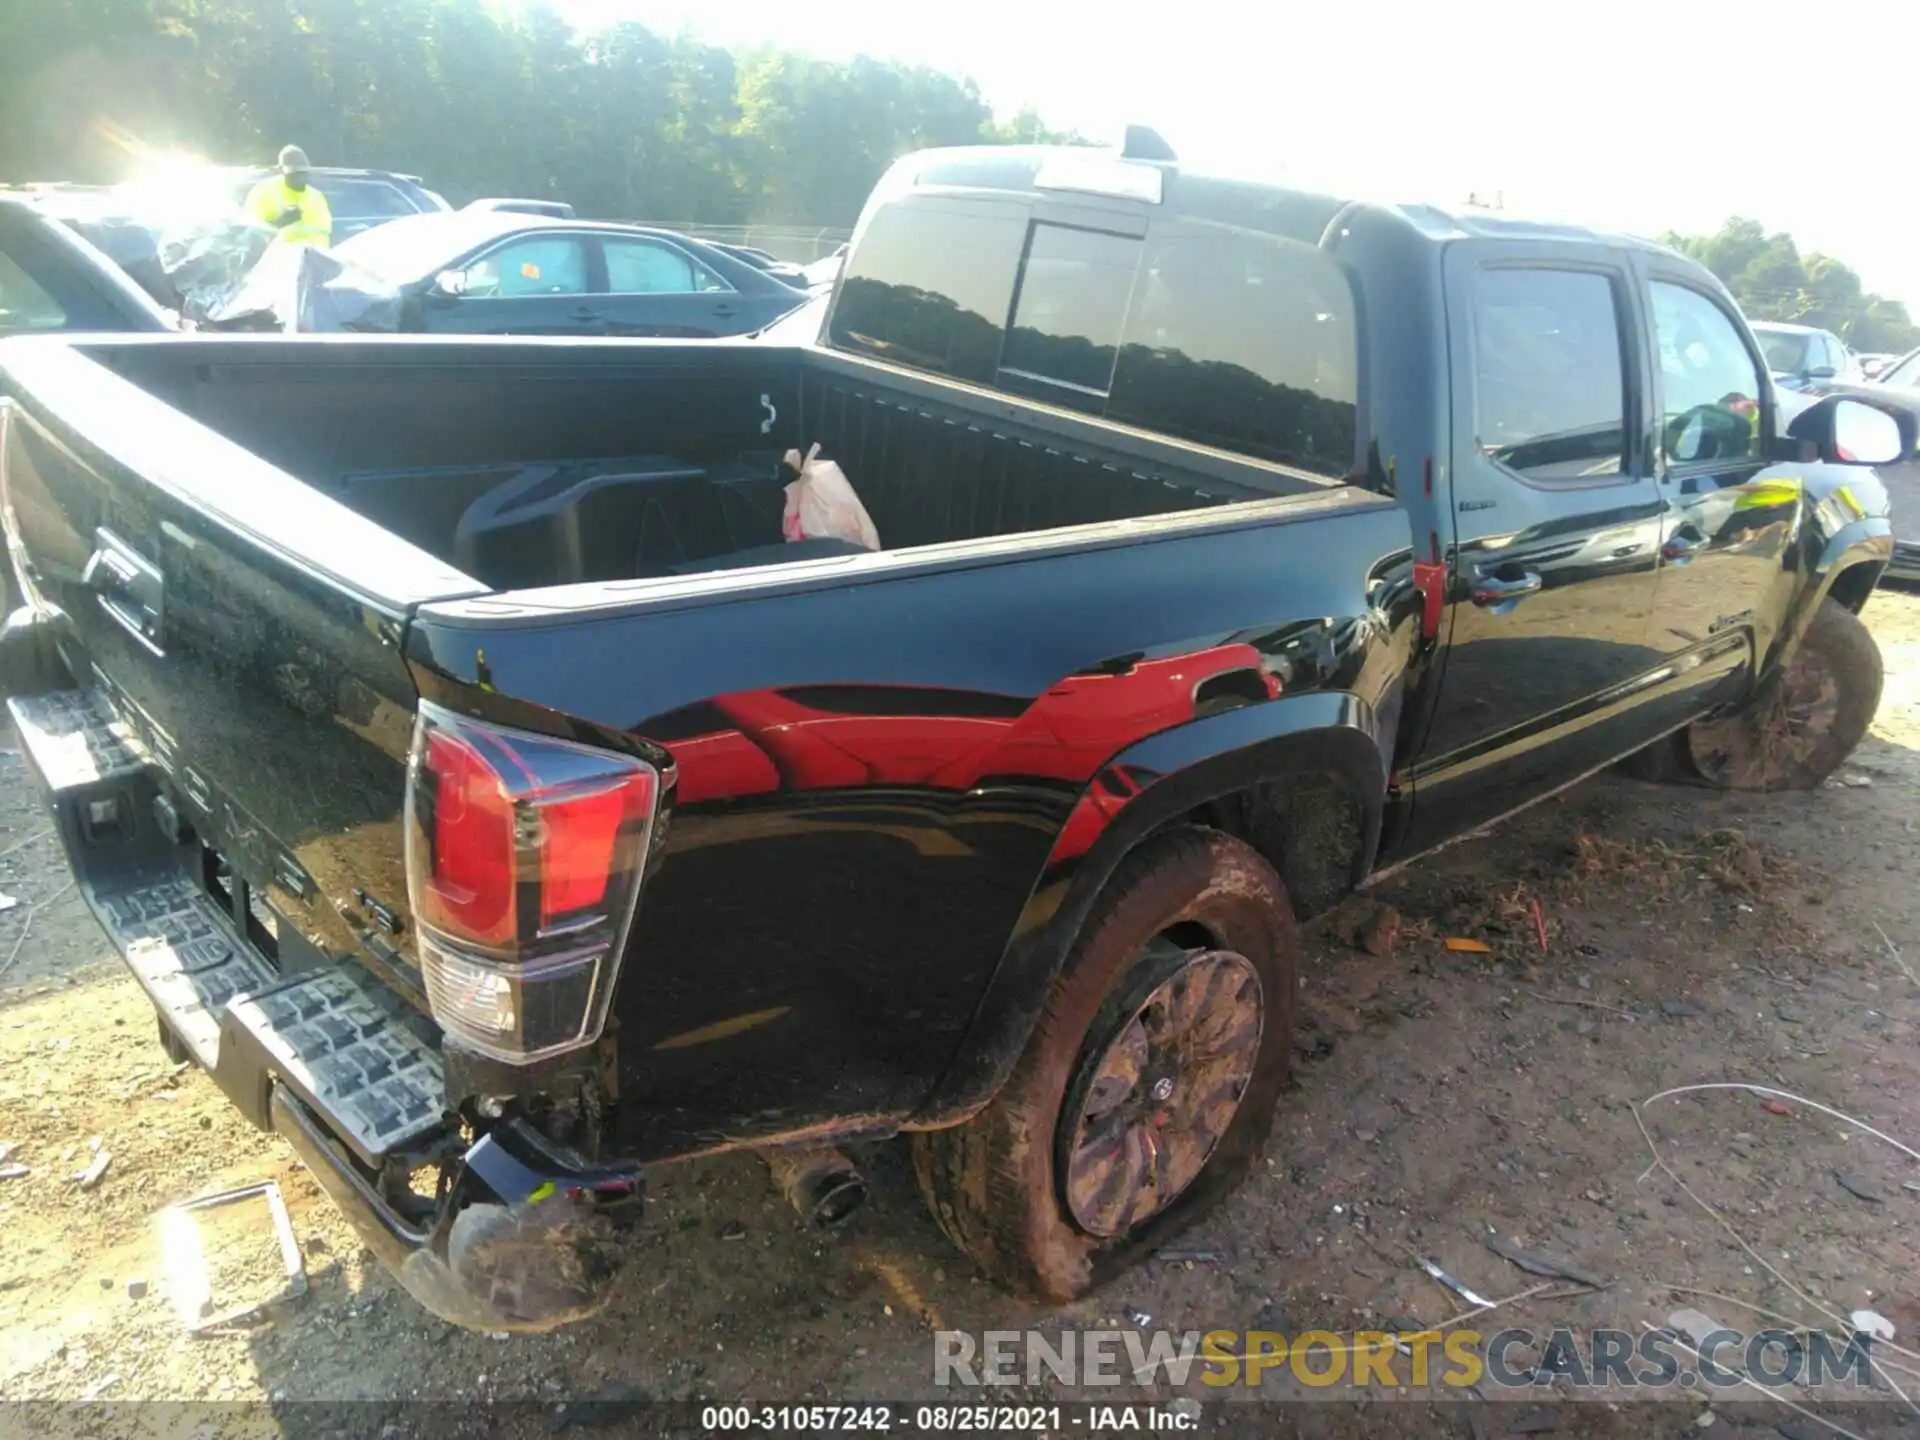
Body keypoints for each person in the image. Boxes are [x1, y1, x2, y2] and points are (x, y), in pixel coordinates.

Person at [246, 146, 332, 248]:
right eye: (295, 174)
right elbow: (251, 236)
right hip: (276, 260)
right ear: (281, 171)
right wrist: (279, 223)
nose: (301, 178)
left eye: (304, 173)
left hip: (313, 260)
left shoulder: (316, 197)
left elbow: (324, 233)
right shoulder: (263, 193)